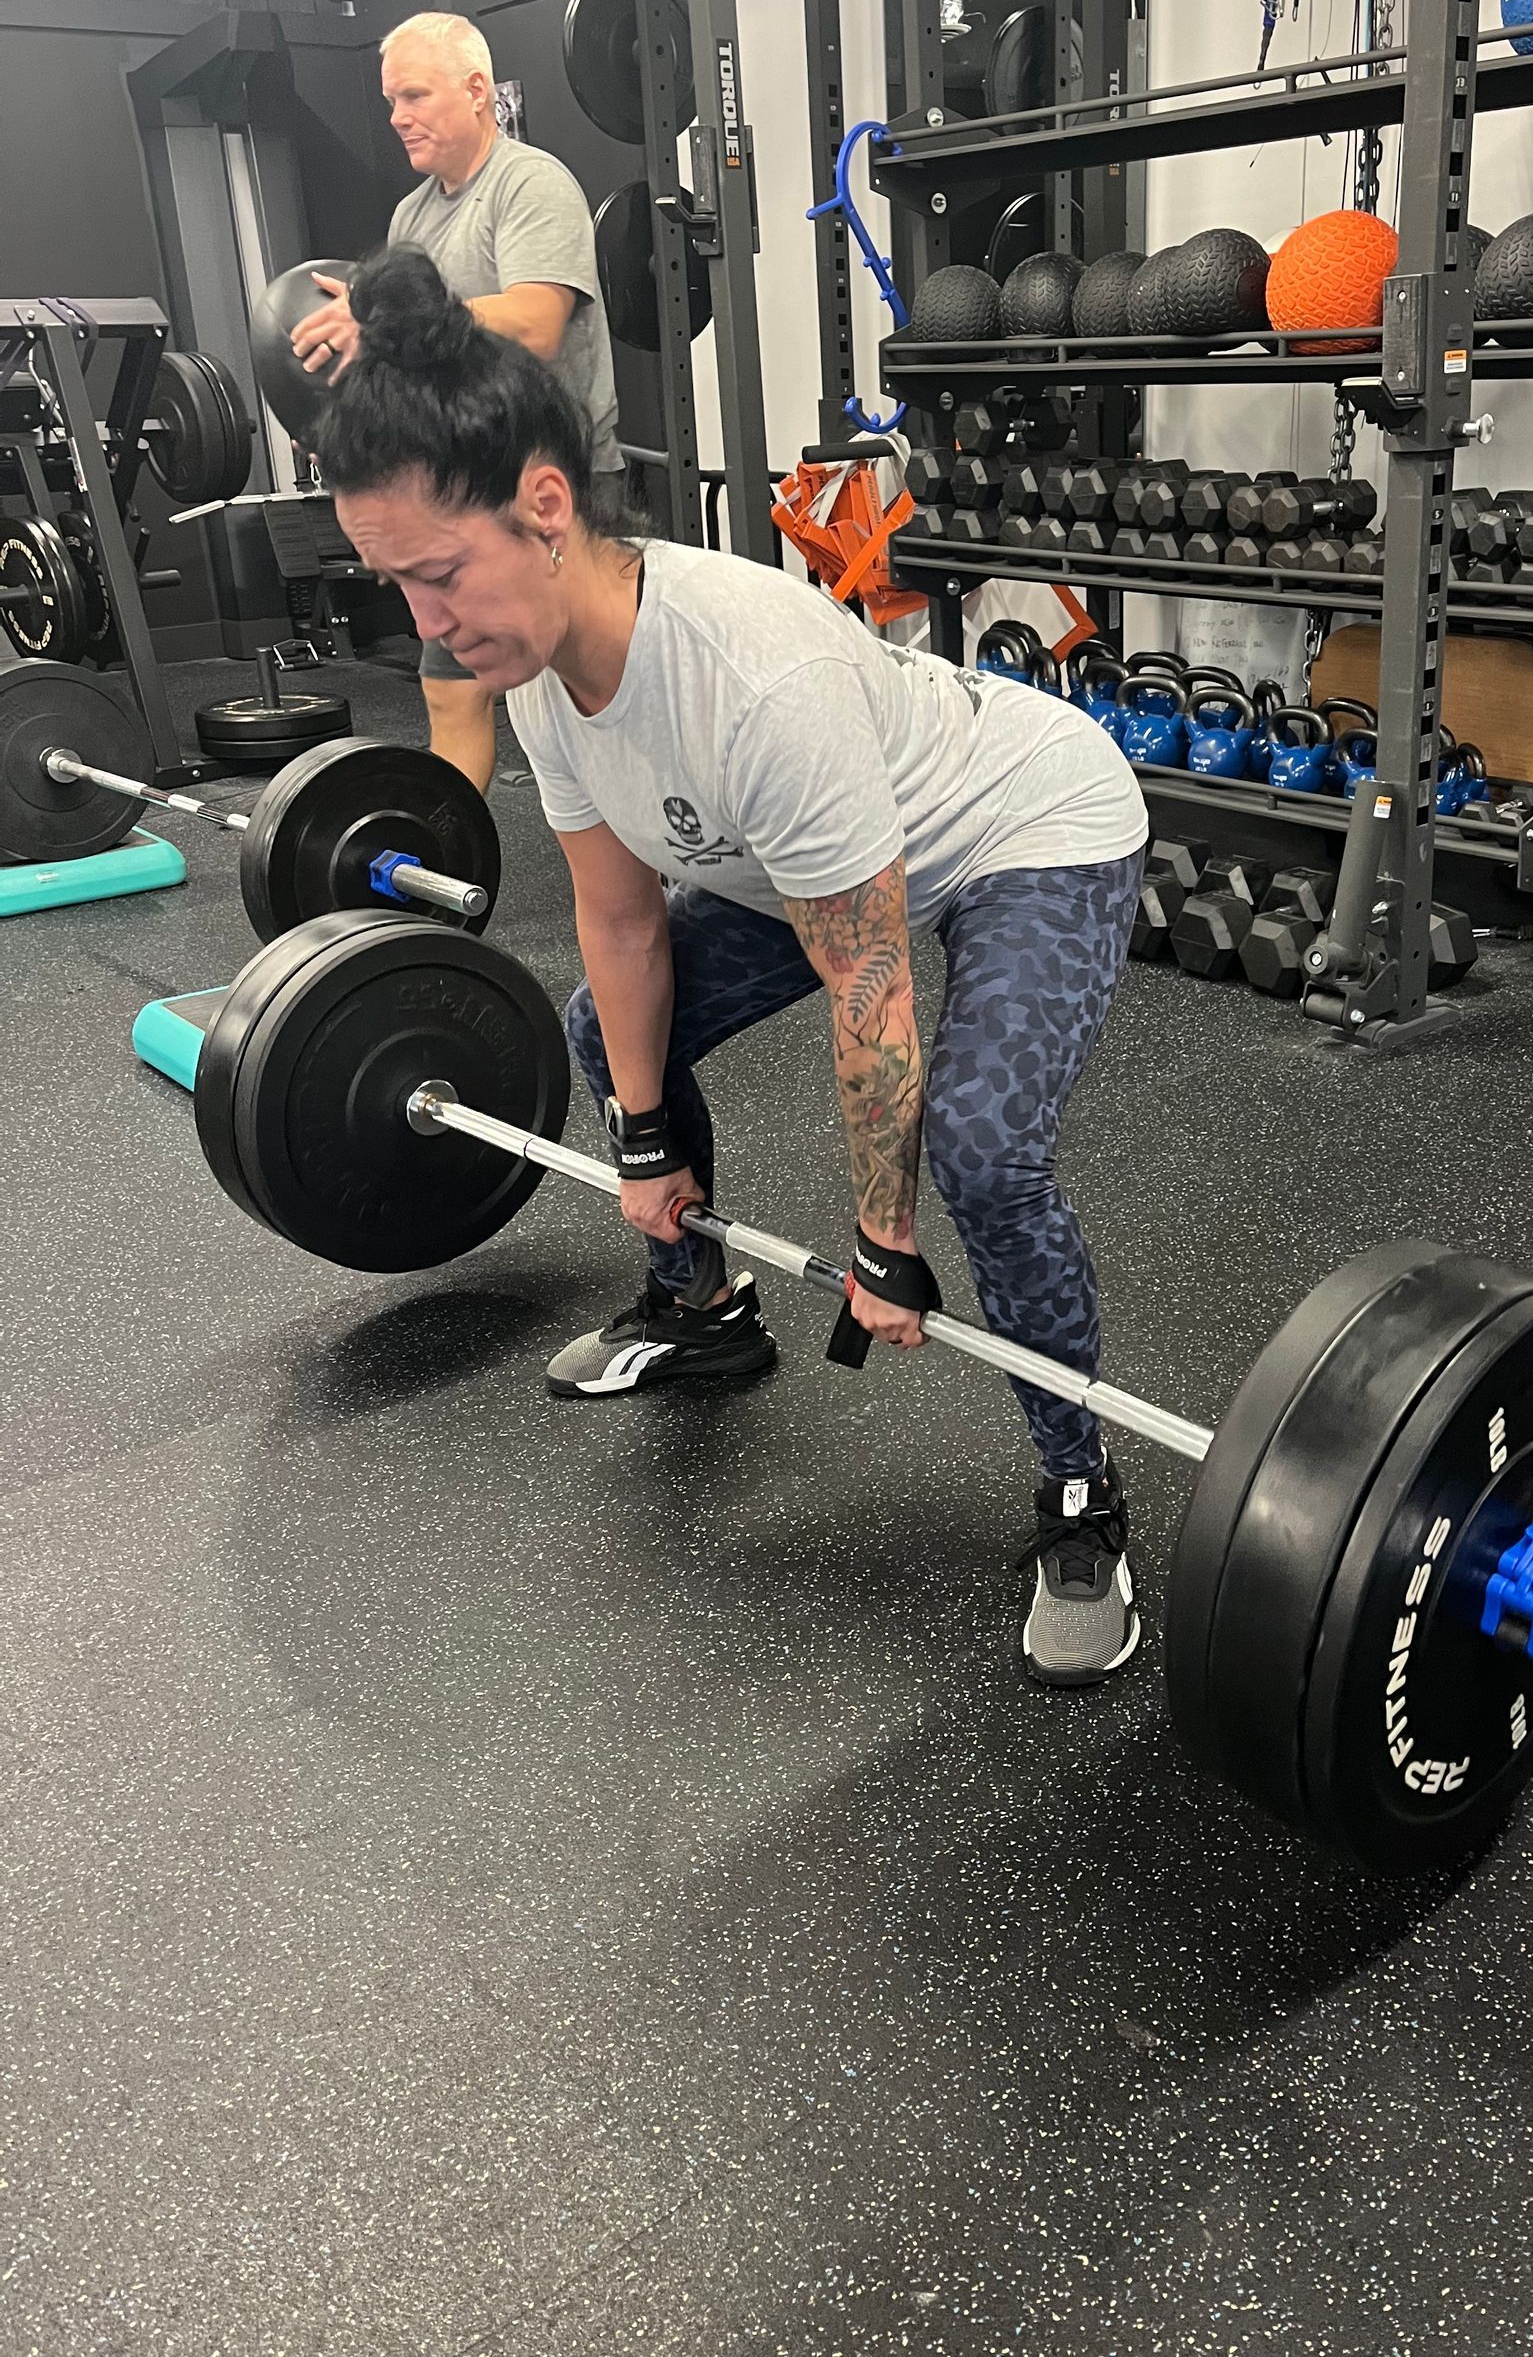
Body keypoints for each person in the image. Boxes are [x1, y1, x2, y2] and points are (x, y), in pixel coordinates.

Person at [316, 248, 1150, 1690]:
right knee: (603, 1032)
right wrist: (643, 1143)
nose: (429, 629)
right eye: (399, 588)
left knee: (983, 1152)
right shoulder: (545, 682)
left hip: (1027, 825)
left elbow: (872, 991)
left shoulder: (752, 682)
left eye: (441, 574)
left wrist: (885, 1242)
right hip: (797, 862)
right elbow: (623, 924)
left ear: (546, 505)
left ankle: (1081, 1493)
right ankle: (699, 1307)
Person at [289, 11, 623, 794]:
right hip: (449, 491)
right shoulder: (413, 215)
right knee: (450, 689)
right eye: (390, 102)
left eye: (413, 95)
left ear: (477, 91)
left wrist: (387, 317)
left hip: (555, 488)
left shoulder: (528, 184)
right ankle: (444, 864)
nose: (398, 117)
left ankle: (644, 875)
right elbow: (410, 358)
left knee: (595, 700)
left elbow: (537, 323)